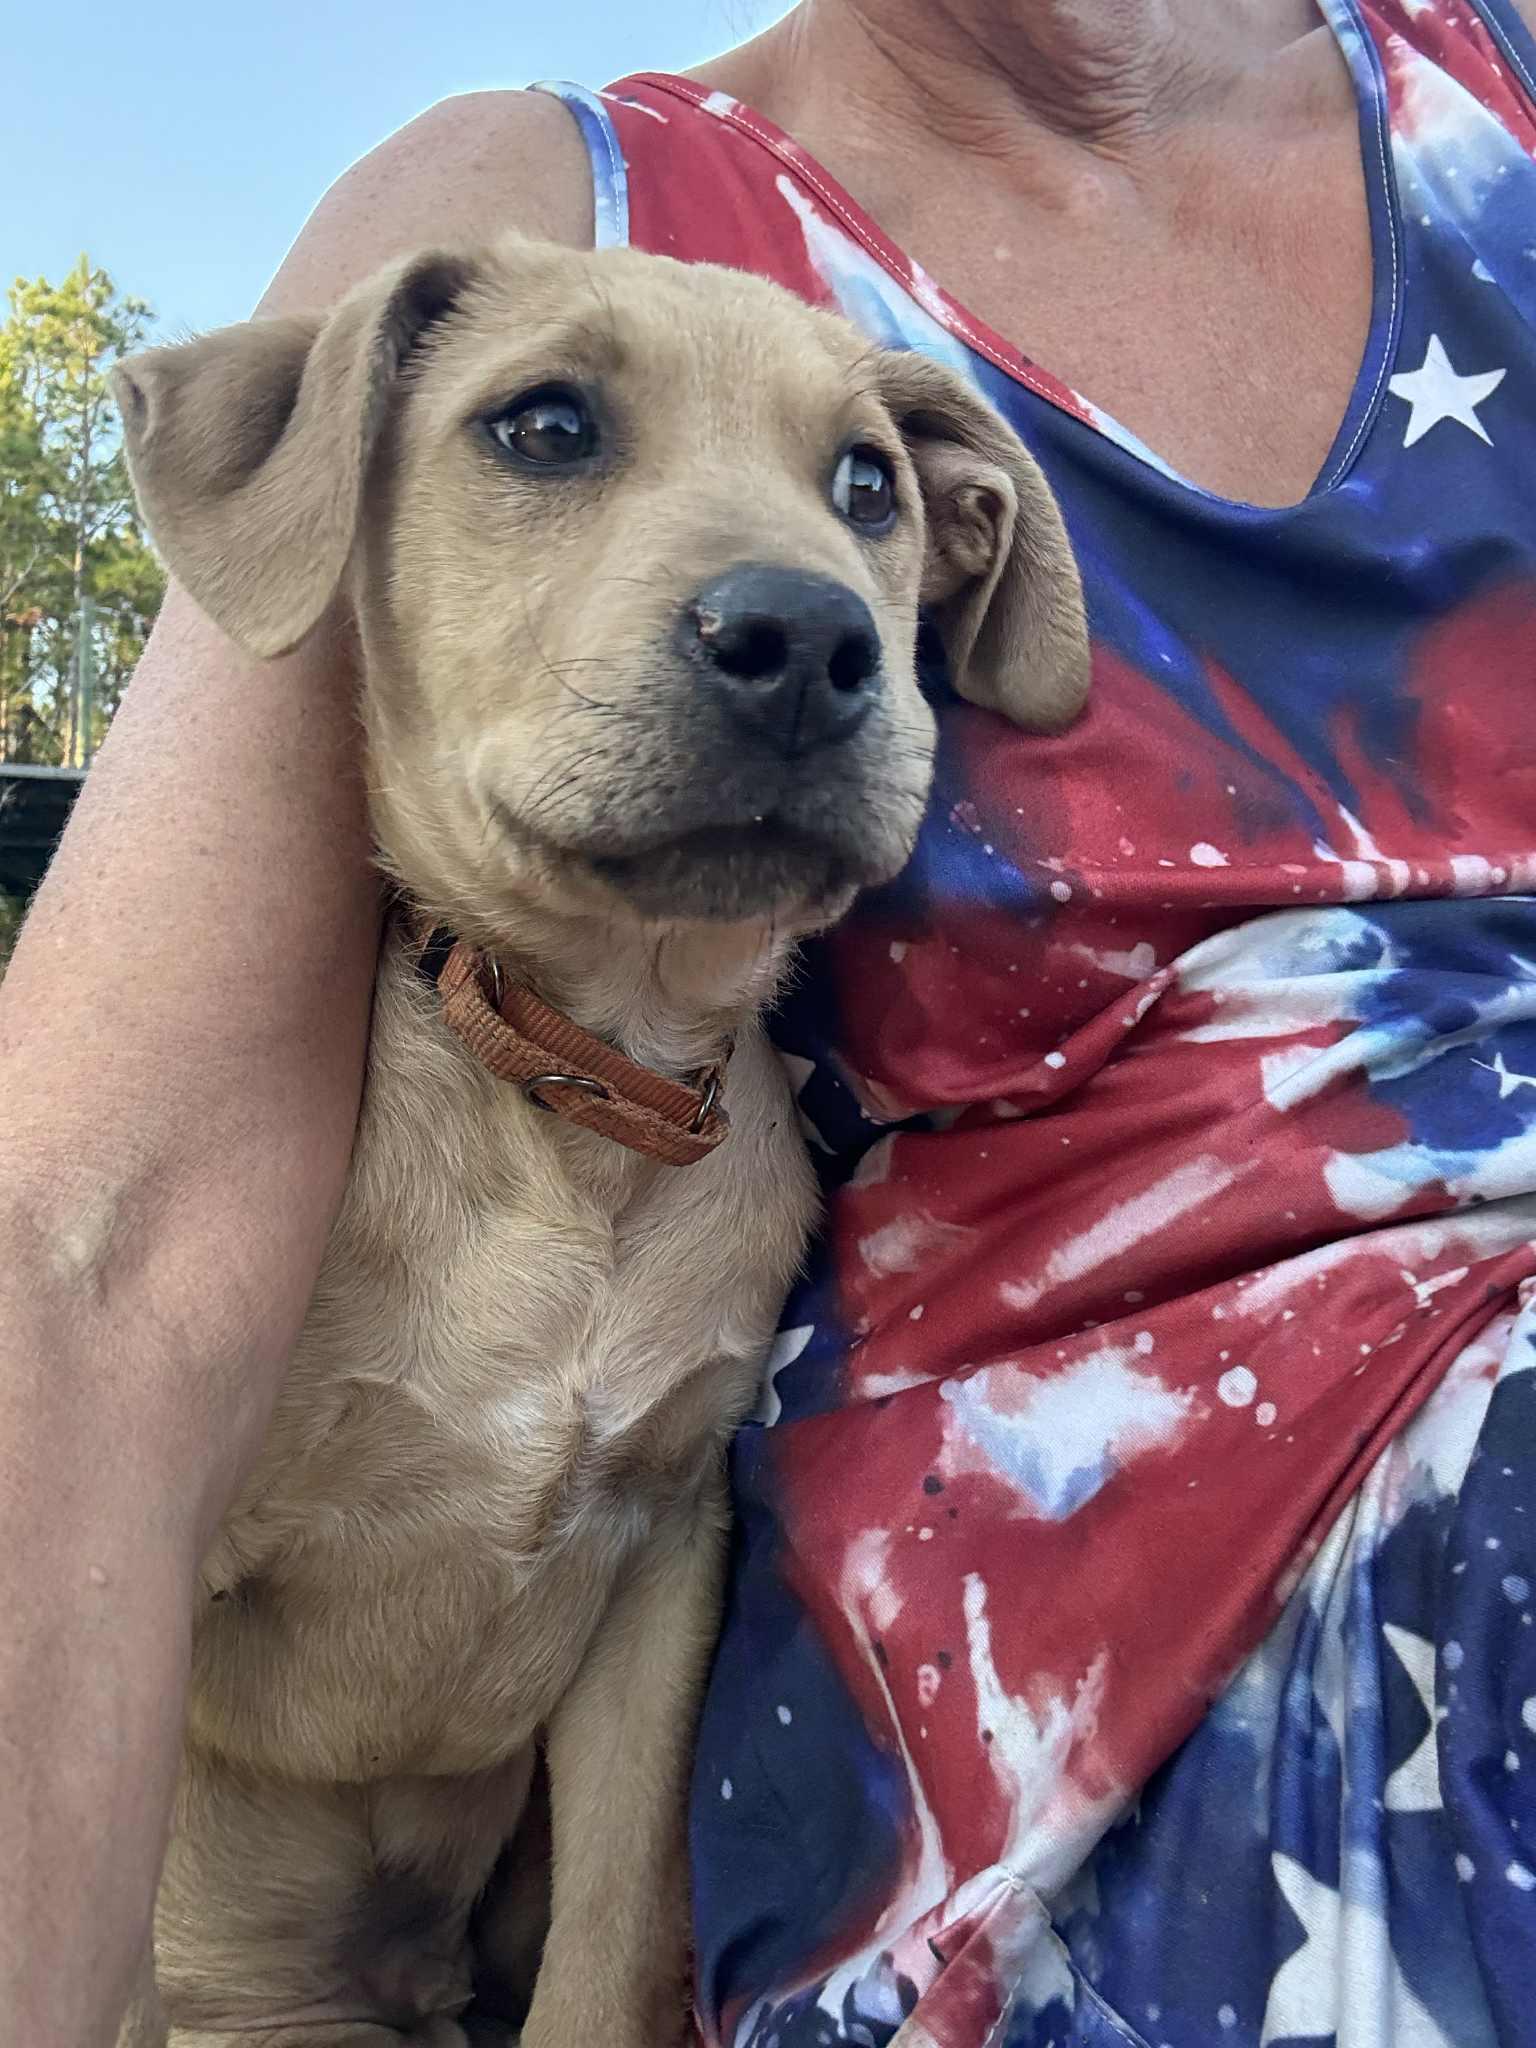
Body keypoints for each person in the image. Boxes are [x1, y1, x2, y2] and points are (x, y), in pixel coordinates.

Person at [5, 0, 1536, 2040]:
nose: (790, 595)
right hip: (263, 1933)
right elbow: (87, 1292)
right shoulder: (528, 200)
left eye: (860, 491)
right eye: (552, 431)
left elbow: (647, 1549)